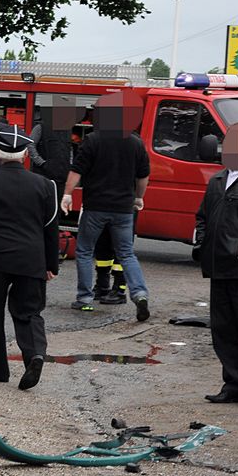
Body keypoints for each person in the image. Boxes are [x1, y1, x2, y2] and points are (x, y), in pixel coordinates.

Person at [0, 125, 59, 391]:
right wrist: (51, 264)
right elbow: (51, 227)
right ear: (26, 155)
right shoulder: (45, 186)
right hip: (32, 259)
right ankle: (35, 353)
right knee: (29, 312)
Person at [62, 109, 151, 320]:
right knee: (127, 253)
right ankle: (139, 293)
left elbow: (77, 170)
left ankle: (84, 299)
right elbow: (143, 176)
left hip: (95, 206)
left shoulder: (93, 140)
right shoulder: (136, 143)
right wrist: (138, 197)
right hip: (123, 209)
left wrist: (67, 194)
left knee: (84, 251)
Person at [193, 123, 238, 404]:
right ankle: (233, 385)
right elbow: (202, 216)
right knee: (223, 330)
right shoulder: (217, 180)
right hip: (218, 267)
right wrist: (203, 240)